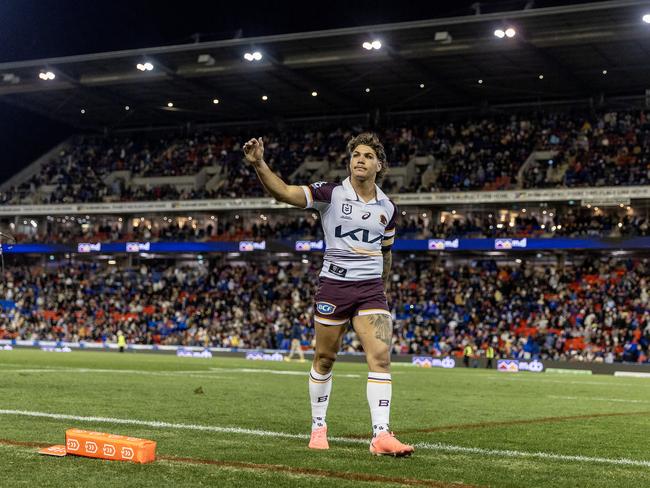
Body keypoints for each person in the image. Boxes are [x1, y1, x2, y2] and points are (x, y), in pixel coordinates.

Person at [244, 133, 413, 457]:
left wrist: (383, 287)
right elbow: (284, 193)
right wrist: (259, 165)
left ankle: (380, 436)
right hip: (334, 287)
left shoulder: (388, 208)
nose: (359, 160)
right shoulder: (330, 193)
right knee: (325, 358)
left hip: (370, 291)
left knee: (380, 358)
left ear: (380, 164)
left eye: (367, 156)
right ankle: (318, 426)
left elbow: (387, 252)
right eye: (355, 155)